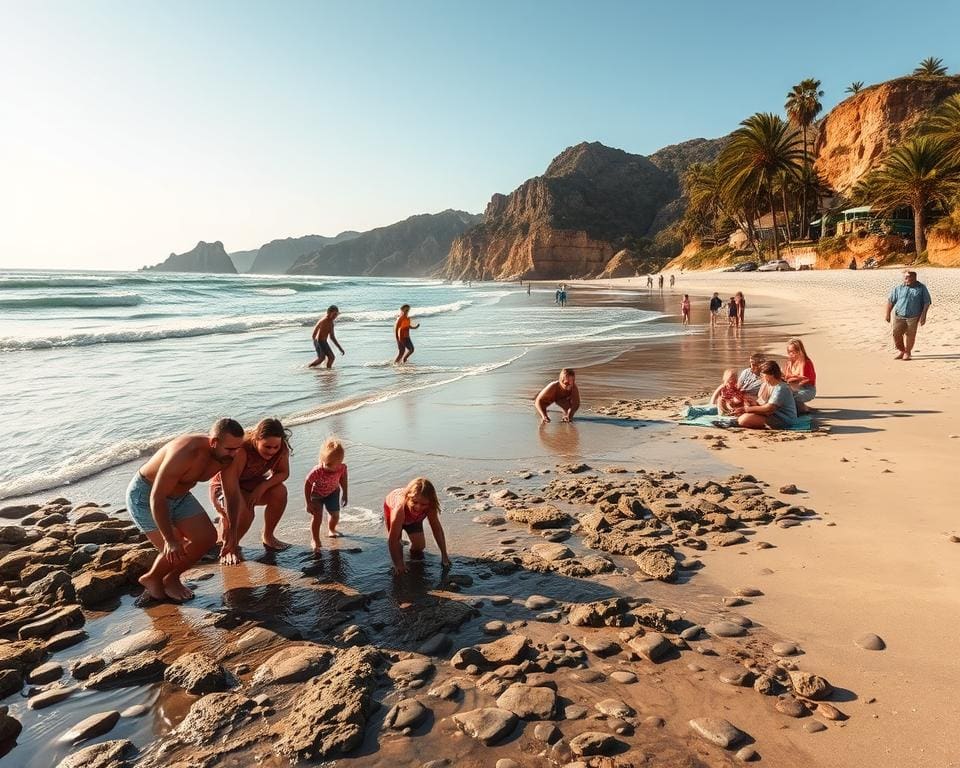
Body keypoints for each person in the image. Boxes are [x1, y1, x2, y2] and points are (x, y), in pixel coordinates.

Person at [126, 418, 244, 602]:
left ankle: (171, 578)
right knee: (176, 545)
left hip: (180, 496)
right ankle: (152, 578)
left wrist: (233, 532)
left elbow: (232, 495)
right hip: (146, 496)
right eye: (230, 449)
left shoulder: (228, 456)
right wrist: (169, 539)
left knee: (207, 537)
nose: (235, 453)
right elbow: (157, 496)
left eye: (238, 447)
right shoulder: (186, 452)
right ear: (213, 442)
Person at [210, 418, 292, 561]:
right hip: (224, 488)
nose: (272, 451)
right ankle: (229, 545)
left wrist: (263, 486)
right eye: (267, 447)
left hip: (251, 483)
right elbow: (231, 486)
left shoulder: (280, 447)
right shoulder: (242, 450)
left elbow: (283, 473)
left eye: (276, 447)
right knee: (246, 513)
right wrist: (240, 506)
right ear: (256, 439)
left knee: (280, 492)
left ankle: (268, 536)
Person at [384, 478, 450, 575]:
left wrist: (444, 555)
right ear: (408, 497)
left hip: (413, 519)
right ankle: (399, 560)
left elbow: (437, 529)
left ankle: (410, 557)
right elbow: (392, 540)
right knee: (397, 540)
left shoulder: (430, 507)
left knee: (420, 547)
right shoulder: (399, 509)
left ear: (430, 502)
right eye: (414, 502)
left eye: (423, 504)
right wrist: (399, 564)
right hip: (393, 510)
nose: (418, 507)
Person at [304, 437, 349, 551]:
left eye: (336, 464)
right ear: (322, 460)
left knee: (335, 515)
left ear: (341, 461)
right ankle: (315, 539)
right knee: (317, 517)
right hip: (316, 495)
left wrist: (345, 493)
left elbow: (343, 479)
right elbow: (308, 484)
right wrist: (308, 502)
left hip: (333, 493)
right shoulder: (317, 470)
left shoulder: (342, 468)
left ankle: (331, 529)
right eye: (328, 464)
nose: (332, 468)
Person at [737, 361, 799, 430]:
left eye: (763, 375)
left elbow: (769, 408)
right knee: (743, 416)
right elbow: (764, 404)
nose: (762, 378)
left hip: (784, 419)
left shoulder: (781, 388)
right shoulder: (769, 385)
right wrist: (753, 403)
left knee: (744, 419)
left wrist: (746, 409)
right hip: (773, 415)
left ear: (772, 375)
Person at [886, 270, 932, 361]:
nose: (905, 279)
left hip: (913, 316)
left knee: (910, 335)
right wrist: (887, 314)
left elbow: (927, 303)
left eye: (907, 277)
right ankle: (902, 350)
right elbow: (891, 301)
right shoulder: (899, 288)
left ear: (914, 278)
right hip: (899, 315)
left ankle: (907, 352)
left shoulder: (921, 288)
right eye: (905, 277)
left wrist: (923, 316)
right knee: (896, 334)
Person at [783, 338, 817, 412]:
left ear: (799, 351)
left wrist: (792, 378)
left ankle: (803, 408)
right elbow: (785, 377)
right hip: (793, 387)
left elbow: (806, 379)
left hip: (807, 389)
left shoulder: (805, 362)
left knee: (791, 398)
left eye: (793, 351)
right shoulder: (789, 363)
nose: (790, 354)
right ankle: (800, 407)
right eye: (789, 352)